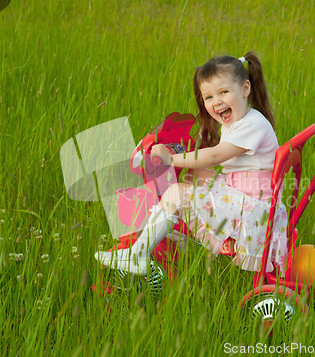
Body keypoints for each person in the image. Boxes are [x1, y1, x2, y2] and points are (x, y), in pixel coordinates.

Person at [96, 51, 288, 276]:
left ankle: (138, 254)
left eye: (223, 92)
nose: (216, 102)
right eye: (208, 97)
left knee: (177, 192)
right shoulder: (243, 119)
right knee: (192, 175)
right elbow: (210, 158)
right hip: (249, 194)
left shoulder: (252, 126)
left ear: (245, 89)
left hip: (254, 209)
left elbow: (215, 156)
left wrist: (170, 159)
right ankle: (170, 224)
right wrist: (181, 155)